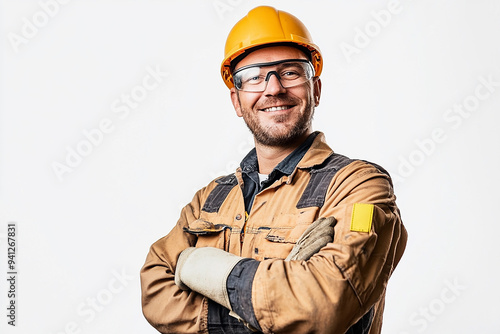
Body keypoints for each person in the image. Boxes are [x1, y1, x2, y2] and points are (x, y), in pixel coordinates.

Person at [140, 6, 407, 334]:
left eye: (291, 72)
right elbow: (154, 289)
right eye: (254, 76)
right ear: (237, 101)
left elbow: (325, 303)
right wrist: (276, 308)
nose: (273, 88)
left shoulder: (359, 185)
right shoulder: (210, 199)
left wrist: (200, 268)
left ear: (316, 90)